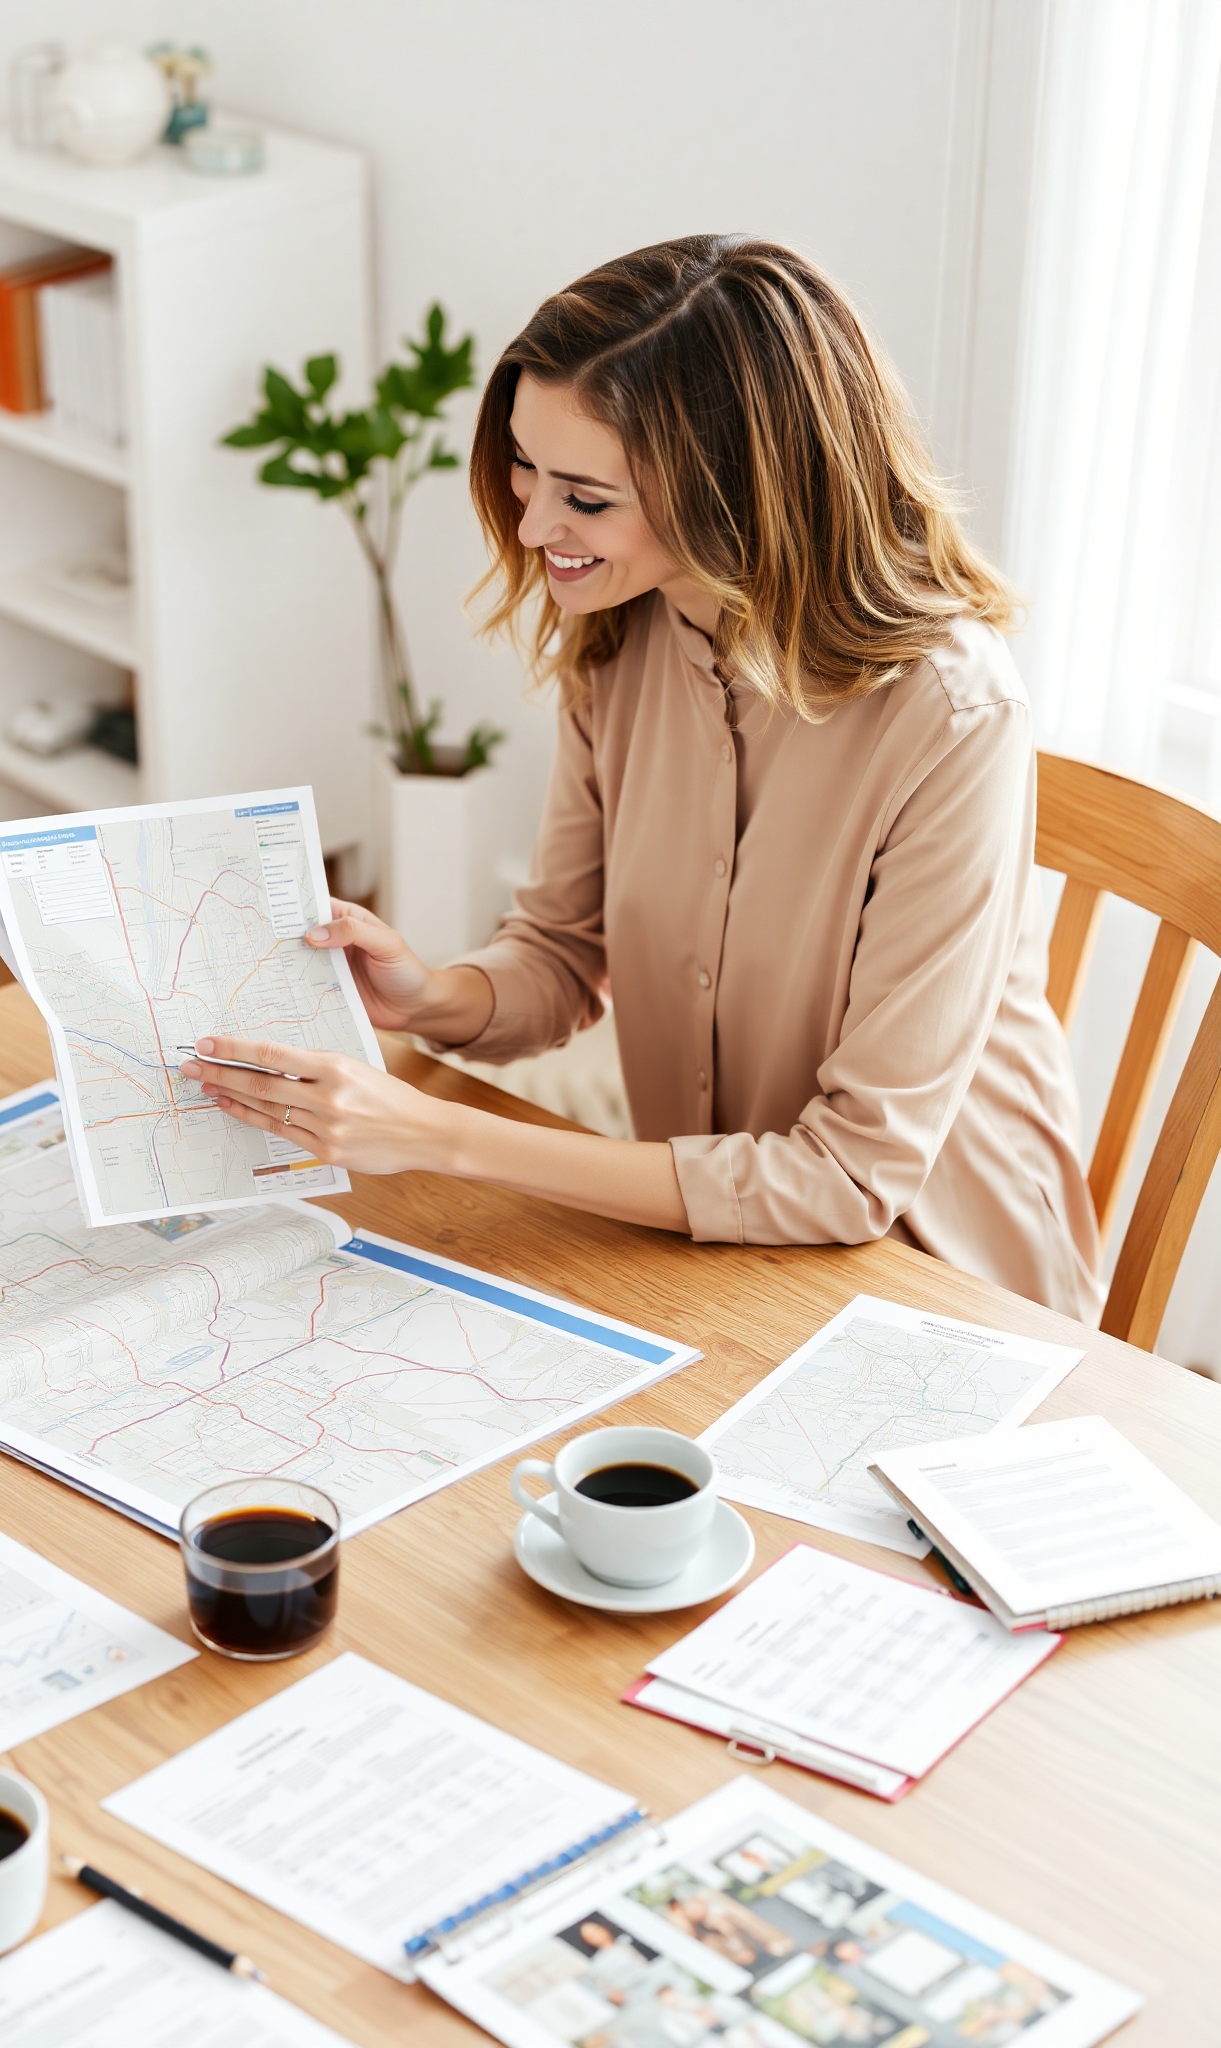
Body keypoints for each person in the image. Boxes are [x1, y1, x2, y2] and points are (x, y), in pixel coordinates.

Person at [187, 235, 1102, 1321]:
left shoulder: (949, 717)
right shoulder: (623, 637)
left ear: (734, 493)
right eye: (524, 468)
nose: (533, 525)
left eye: (585, 497)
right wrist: (432, 996)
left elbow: (848, 1178)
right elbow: (562, 949)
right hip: (714, 1245)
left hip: (941, 1281)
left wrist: (439, 1135)